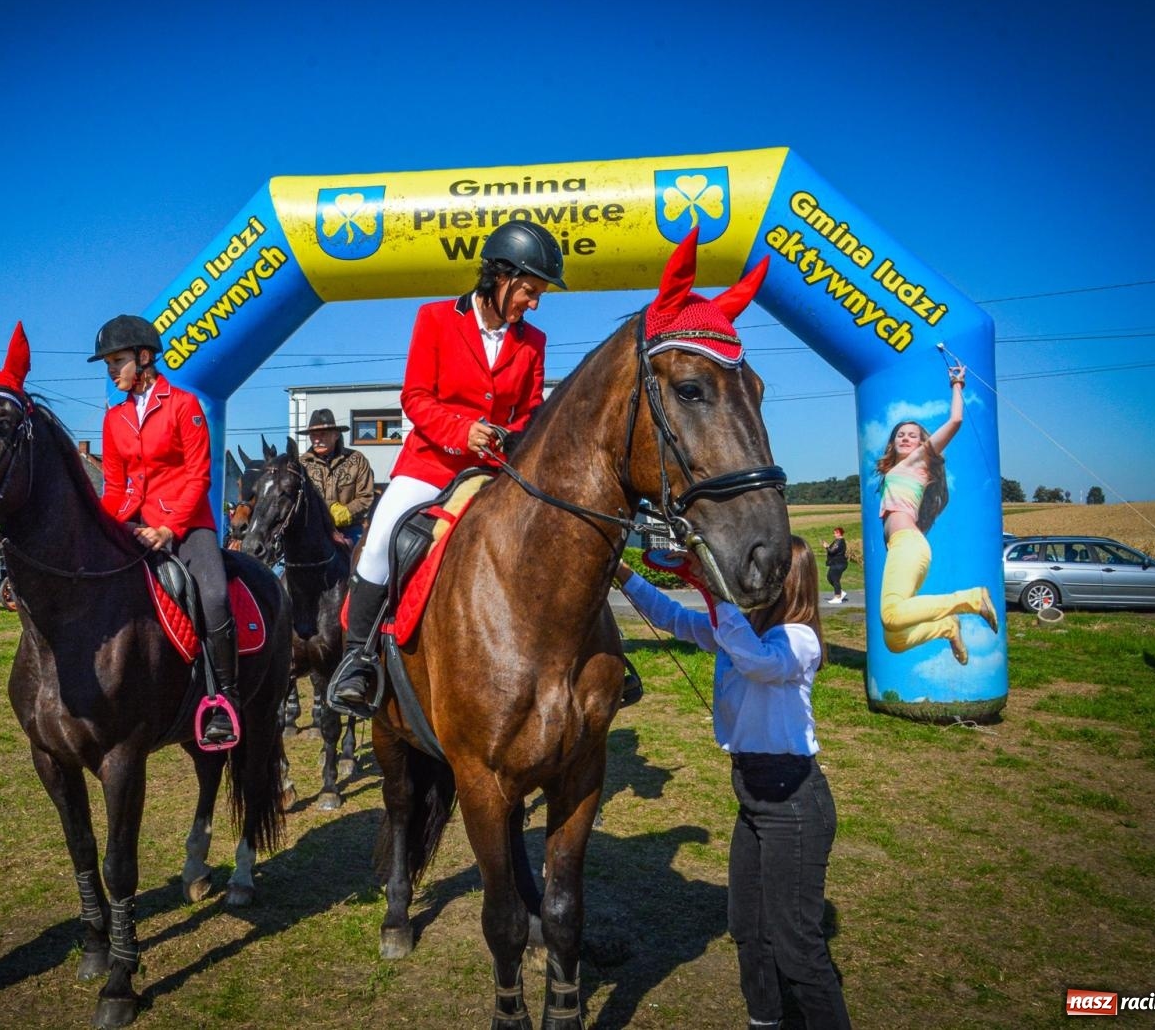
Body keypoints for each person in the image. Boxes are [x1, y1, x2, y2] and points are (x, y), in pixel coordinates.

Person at [328, 221, 565, 713]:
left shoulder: (534, 341)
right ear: (501, 278)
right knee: (380, 542)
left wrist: (509, 435)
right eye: (529, 291)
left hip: (497, 470)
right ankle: (357, 659)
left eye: (539, 295)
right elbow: (416, 397)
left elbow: (531, 411)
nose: (534, 304)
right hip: (431, 464)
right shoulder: (435, 318)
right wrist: (462, 432)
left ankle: (580, 651)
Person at [616, 538, 851, 1029]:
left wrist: (712, 591)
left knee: (797, 945)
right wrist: (624, 575)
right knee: (747, 926)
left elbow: (758, 663)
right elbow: (674, 618)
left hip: (793, 801)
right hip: (754, 796)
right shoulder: (742, 630)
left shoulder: (798, 638)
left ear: (784, 581)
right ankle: (765, 1020)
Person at [91, 314, 239, 745]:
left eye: (116, 361)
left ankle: (223, 698)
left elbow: (198, 477)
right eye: (108, 364)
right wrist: (101, 527)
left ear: (144, 357)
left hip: (187, 524)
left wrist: (169, 529)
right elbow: (114, 487)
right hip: (133, 523)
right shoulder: (114, 418)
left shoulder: (183, 405)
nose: (111, 370)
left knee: (214, 595)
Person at [875, 365, 997, 664]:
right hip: (902, 548)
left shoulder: (918, 461)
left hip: (908, 545)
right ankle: (947, 627)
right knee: (895, 639)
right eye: (900, 435)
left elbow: (955, 421)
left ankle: (971, 599)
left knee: (891, 615)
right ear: (893, 442)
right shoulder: (895, 470)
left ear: (921, 444)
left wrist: (957, 384)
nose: (905, 438)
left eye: (912, 435)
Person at [298, 408, 376, 546]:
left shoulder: (357, 460)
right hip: (313, 530)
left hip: (351, 529)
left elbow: (366, 497)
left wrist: (346, 513)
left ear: (336, 435)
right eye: (313, 435)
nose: (317, 440)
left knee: (364, 555)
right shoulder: (301, 464)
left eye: (323, 434)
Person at [823, 527, 849, 603]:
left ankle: (837, 597)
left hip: (839, 563)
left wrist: (826, 547)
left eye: (835, 533)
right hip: (835, 563)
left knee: (835, 579)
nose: (834, 534)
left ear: (839, 533)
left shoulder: (840, 542)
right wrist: (828, 546)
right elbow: (833, 549)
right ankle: (840, 592)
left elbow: (832, 551)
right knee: (829, 577)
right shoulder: (837, 541)